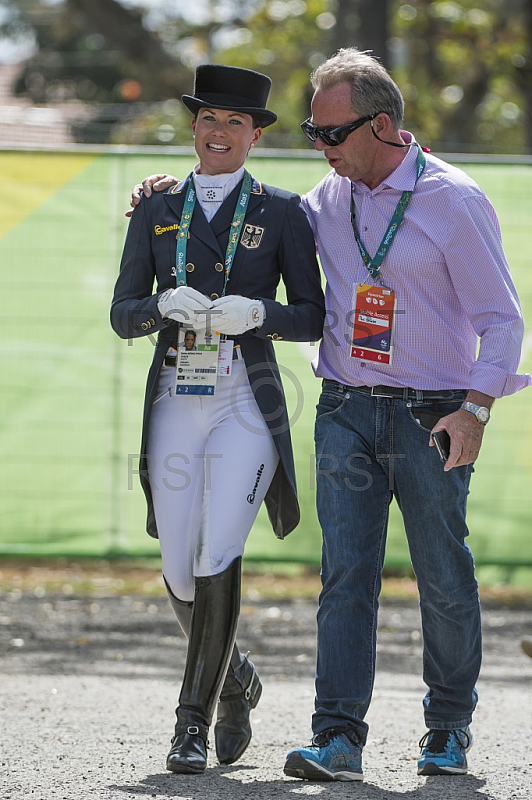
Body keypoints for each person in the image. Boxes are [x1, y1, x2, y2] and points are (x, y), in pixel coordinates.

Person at [129, 49, 530, 782]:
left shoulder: (455, 200)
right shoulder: (323, 199)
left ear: (382, 125)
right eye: (313, 133)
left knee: (442, 575)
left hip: (432, 413)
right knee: (345, 578)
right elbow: (245, 218)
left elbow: (503, 322)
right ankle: (338, 737)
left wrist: (475, 410)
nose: (320, 147)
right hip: (345, 405)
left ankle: (448, 731)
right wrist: (163, 193)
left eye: (330, 134)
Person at [111, 64, 324, 776]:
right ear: (195, 126)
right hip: (176, 393)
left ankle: (190, 723)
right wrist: (155, 309)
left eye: (237, 122)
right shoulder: (154, 206)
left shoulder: (283, 210)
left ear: (256, 134)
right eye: (210, 119)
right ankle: (237, 683)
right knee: (176, 568)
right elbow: (121, 313)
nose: (221, 132)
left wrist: (259, 314)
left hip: (244, 401)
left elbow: (314, 315)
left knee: (218, 554)